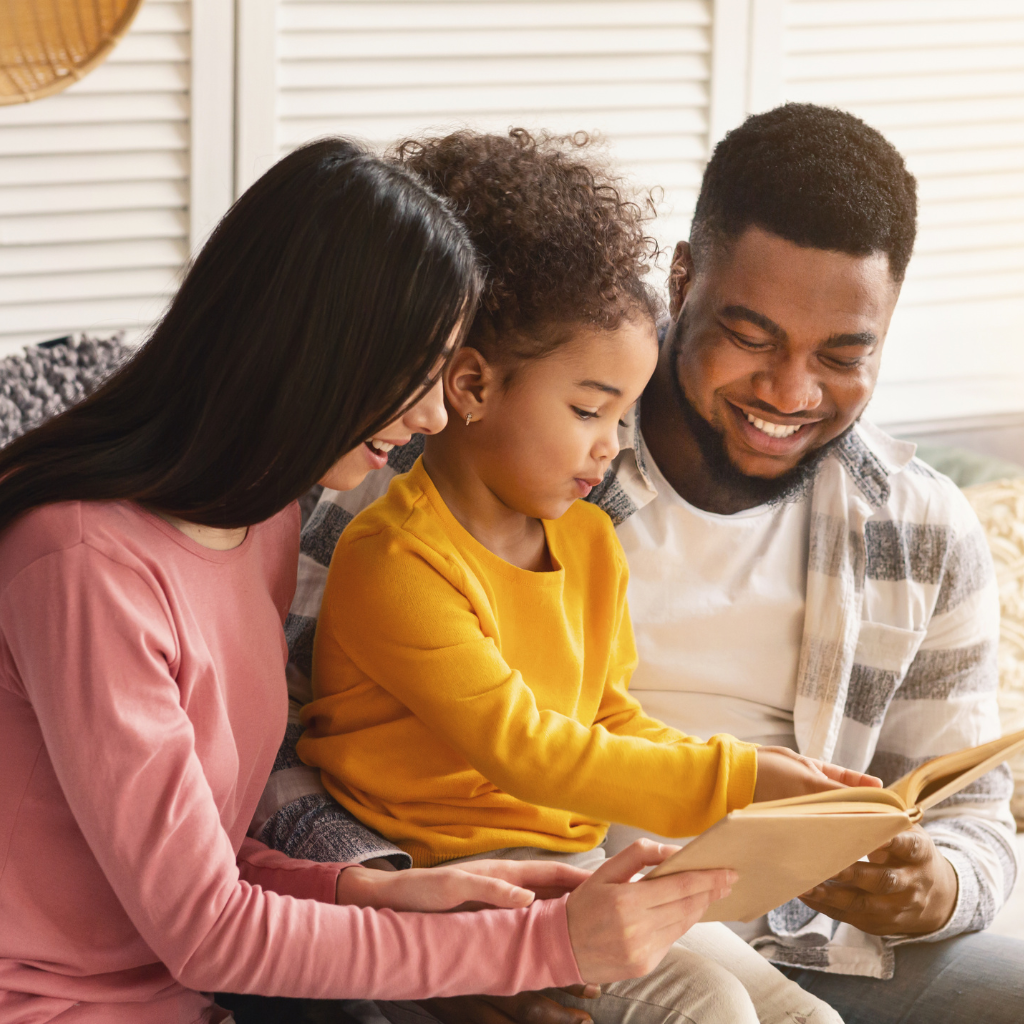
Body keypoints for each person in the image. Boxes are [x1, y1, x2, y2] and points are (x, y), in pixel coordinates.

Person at [258, 107, 1024, 1024]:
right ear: (683, 276)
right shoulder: (439, 456)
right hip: (503, 890)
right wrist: (423, 941)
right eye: (753, 338)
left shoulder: (917, 526)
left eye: (842, 355)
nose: (789, 392)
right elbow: (269, 746)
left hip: (791, 930)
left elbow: (976, 812)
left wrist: (934, 886)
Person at [0, 138, 742, 1024]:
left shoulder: (263, 524)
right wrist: (543, 942)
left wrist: (376, 892)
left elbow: (207, 863)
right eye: (420, 371)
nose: (434, 414)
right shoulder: (83, 566)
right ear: (315, 349)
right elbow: (204, 928)